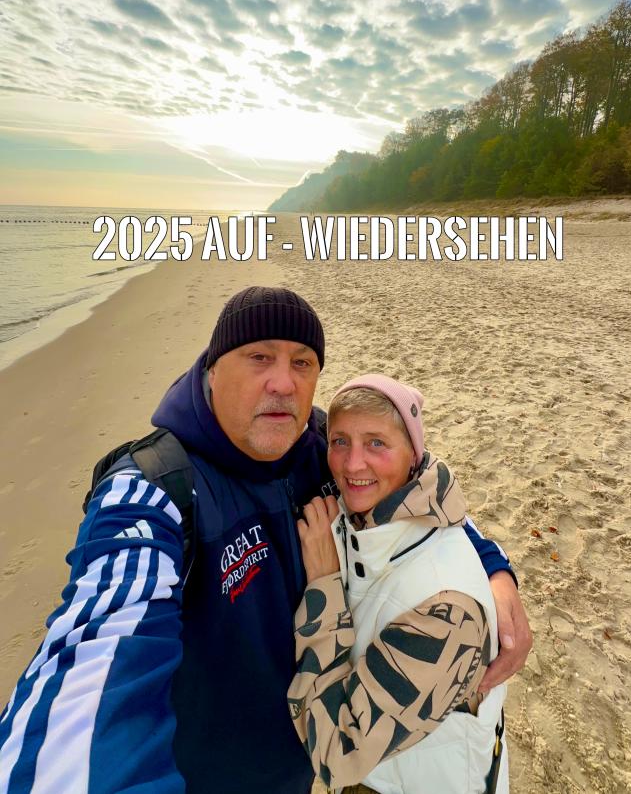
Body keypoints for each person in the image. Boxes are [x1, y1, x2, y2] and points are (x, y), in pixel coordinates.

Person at [0, 287, 529, 793]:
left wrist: (494, 569)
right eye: (259, 357)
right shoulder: (155, 492)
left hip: (303, 763)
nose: (283, 383)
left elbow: (415, 495)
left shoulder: (322, 449)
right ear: (212, 369)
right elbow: (93, 677)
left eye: (302, 363)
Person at [289, 375, 509, 793]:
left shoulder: (448, 614)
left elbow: (337, 751)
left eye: (376, 443)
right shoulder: (371, 516)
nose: (353, 465)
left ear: (414, 455)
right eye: (340, 442)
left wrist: (323, 586)